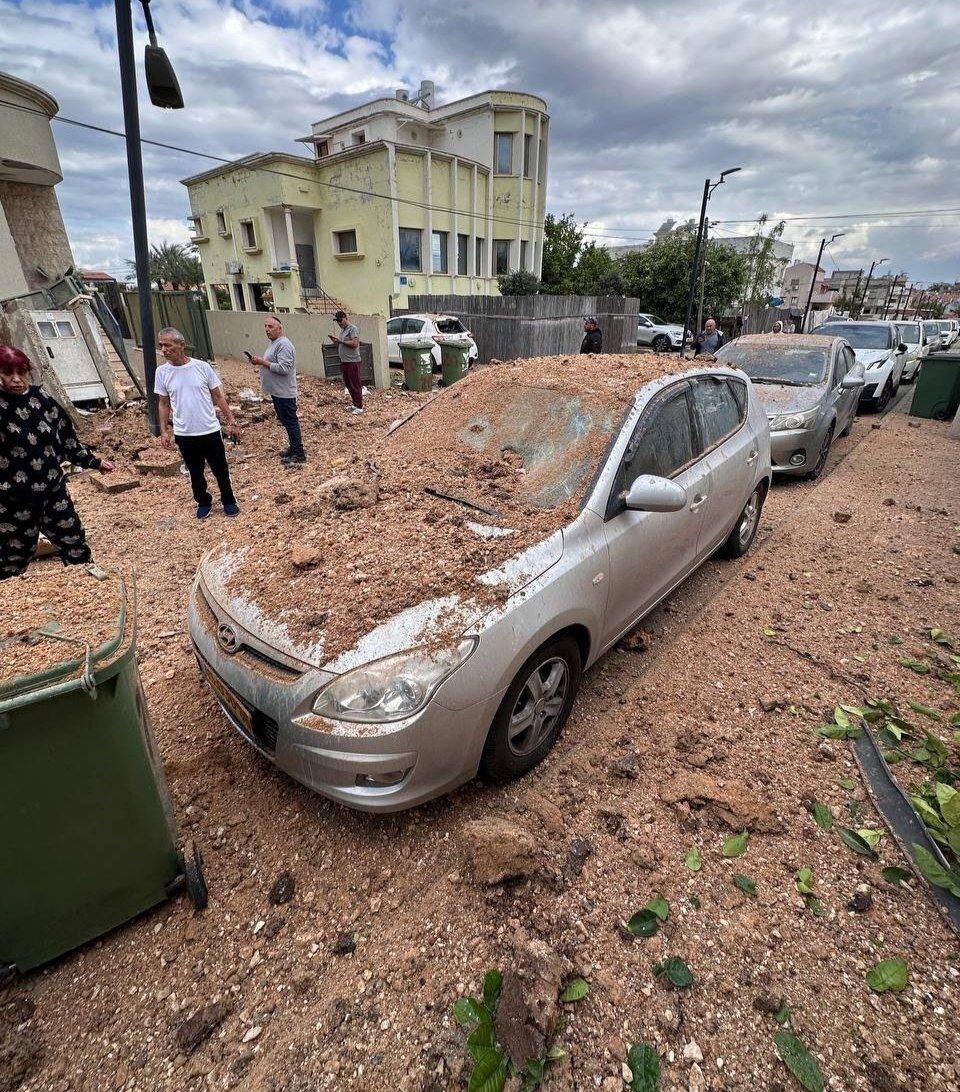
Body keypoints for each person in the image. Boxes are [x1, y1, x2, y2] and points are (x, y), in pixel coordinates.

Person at [0, 345, 114, 579]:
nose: (16, 380)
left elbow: (66, 439)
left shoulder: (41, 399)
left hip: (53, 493)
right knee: (12, 560)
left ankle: (92, 594)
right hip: (12, 501)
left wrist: (93, 462)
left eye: (21, 372)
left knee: (76, 547)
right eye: (7, 372)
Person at [155, 327, 241, 519]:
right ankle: (203, 501)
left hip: (209, 429)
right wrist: (164, 430)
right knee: (195, 472)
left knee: (221, 469)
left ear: (181, 345)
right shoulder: (162, 372)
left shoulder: (202, 367)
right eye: (161, 345)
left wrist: (232, 421)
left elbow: (218, 396)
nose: (164, 349)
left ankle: (229, 500)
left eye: (168, 345)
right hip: (185, 433)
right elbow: (163, 403)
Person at [250, 315, 304, 464]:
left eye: (270, 326)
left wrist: (262, 361)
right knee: (286, 421)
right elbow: (273, 362)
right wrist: (260, 361)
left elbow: (284, 368)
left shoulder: (284, 345)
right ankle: (293, 448)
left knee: (291, 421)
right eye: (265, 326)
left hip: (285, 392)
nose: (267, 329)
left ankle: (299, 453)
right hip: (277, 391)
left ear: (280, 328)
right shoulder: (274, 343)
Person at [329, 309, 363, 414]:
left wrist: (341, 341)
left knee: (355, 384)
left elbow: (354, 343)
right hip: (345, 361)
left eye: (340, 320)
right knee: (348, 384)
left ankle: (359, 406)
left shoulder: (352, 329)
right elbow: (343, 344)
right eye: (338, 321)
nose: (339, 323)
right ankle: (354, 404)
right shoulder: (343, 331)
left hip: (352, 361)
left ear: (345, 318)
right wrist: (337, 342)